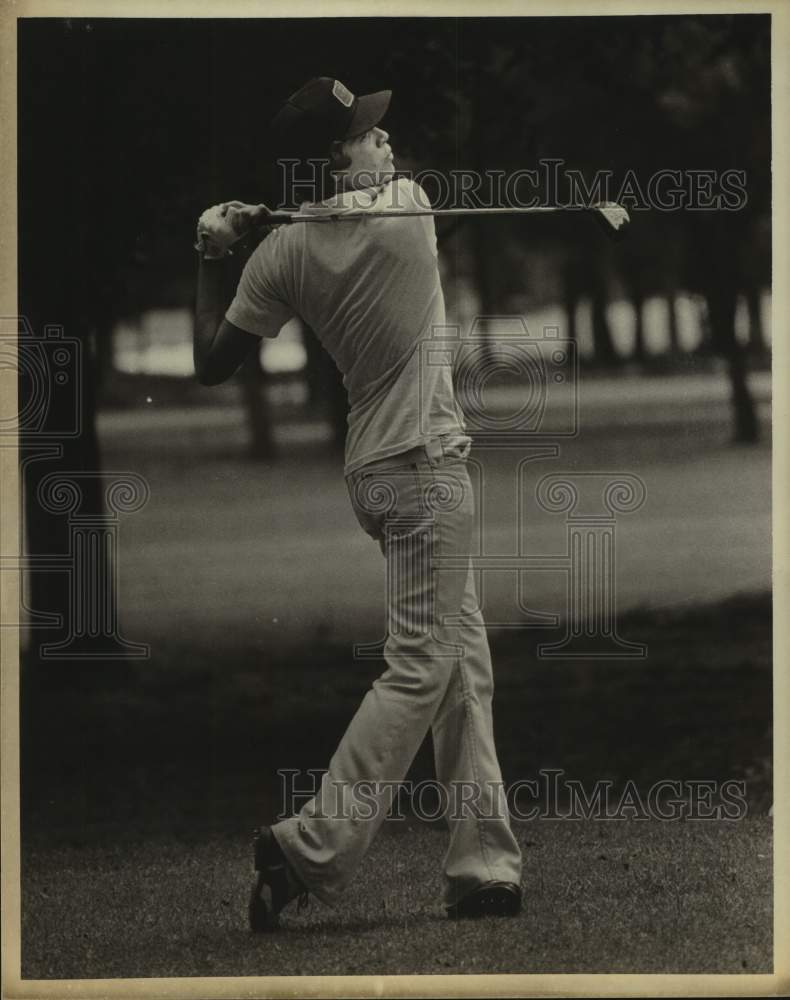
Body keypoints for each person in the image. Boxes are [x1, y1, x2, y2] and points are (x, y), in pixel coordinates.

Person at [193, 77, 522, 931]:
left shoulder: (280, 254)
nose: (388, 145)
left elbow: (211, 359)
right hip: (424, 467)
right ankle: (305, 846)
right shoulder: (408, 208)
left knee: (463, 663)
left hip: (374, 473)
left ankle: (484, 867)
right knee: (421, 665)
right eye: (368, 137)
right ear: (334, 163)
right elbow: (368, 198)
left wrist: (213, 248)